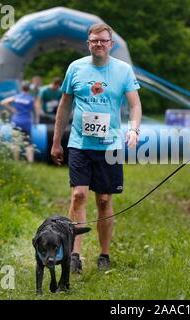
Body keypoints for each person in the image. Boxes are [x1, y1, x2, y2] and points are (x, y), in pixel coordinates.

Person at [51, 23, 142, 272]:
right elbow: (64, 106)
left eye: (103, 41)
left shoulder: (123, 71)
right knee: (78, 195)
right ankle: (74, 254)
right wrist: (56, 141)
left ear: (110, 44)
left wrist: (133, 130)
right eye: (94, 41)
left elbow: (134, 105)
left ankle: (104, 254)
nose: (98, 44)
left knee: (103, 199)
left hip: (110, 145)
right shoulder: (76, 68)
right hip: (80, 143)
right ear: (88, 43)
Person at [1, 81, 36, 163]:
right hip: (26, 122)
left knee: (16, 142)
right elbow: (35, 111)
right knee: (28, 143)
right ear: (29, 89)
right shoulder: (31, 99)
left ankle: (16, 161)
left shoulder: (16, 97)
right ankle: (30, 161)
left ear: (21, 88)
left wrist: (12, 109)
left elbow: (3, 102)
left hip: (16, 121)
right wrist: (36, 120)